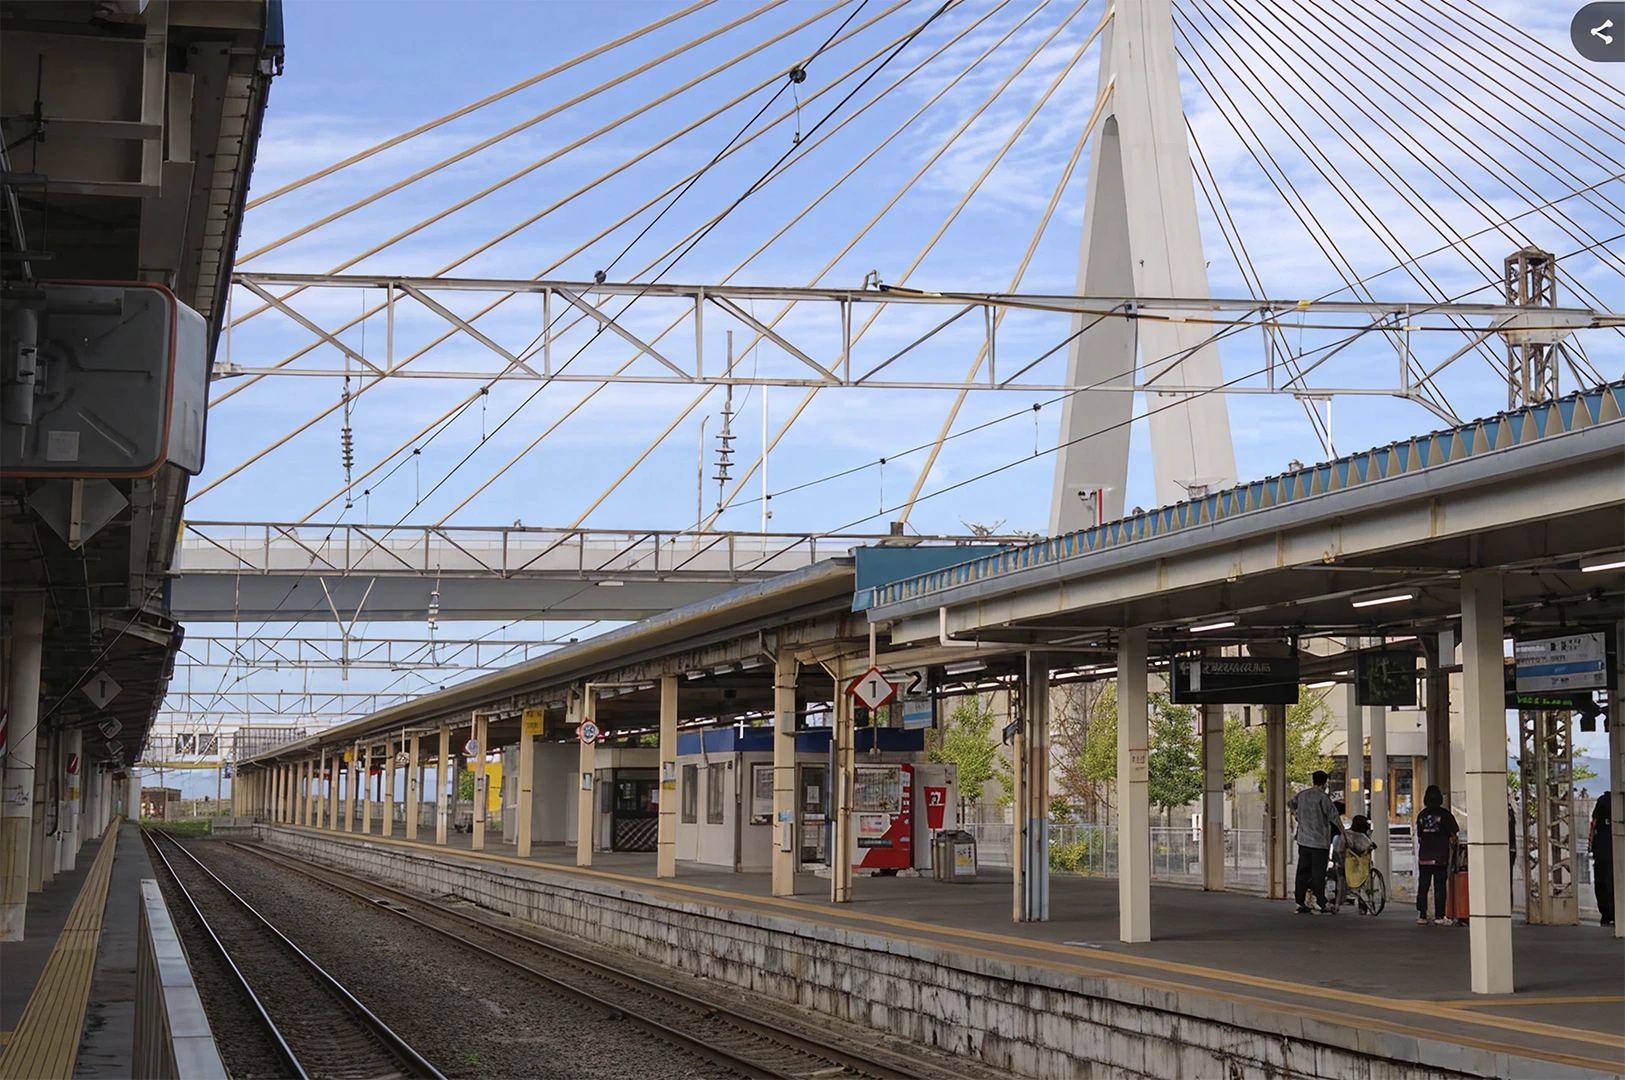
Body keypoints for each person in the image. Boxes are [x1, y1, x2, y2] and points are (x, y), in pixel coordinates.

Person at [1289, 770, 1345, 914]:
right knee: (1318, 873)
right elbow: (1334, 816)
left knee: (1302, 871)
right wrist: (1344, 833)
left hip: (1303, 840)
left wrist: (1297, 816)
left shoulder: (1302, 795)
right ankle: (1321, 902)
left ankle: (1300, 902)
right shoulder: (1323, 798)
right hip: (1319, 842)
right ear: (1325, 783)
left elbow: (1291, 805)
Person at [1414, 784, 1459, 925]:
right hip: (1440, 856)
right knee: (1440, 886)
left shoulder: (1421, 815)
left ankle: (1422, 915)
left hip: (1424, 856)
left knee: (1423, 885)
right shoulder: (1445, 815)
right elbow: (1454, 833)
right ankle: (1439, 916)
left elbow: (1420, 835)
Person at [1593, 793, 1614, 927]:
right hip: (1607, 845)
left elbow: (1594, 823)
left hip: (1601, 845)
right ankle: (1611, 913)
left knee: (1602, 879)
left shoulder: (1604, 799)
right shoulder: (1608, 800)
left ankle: (1607, 914)